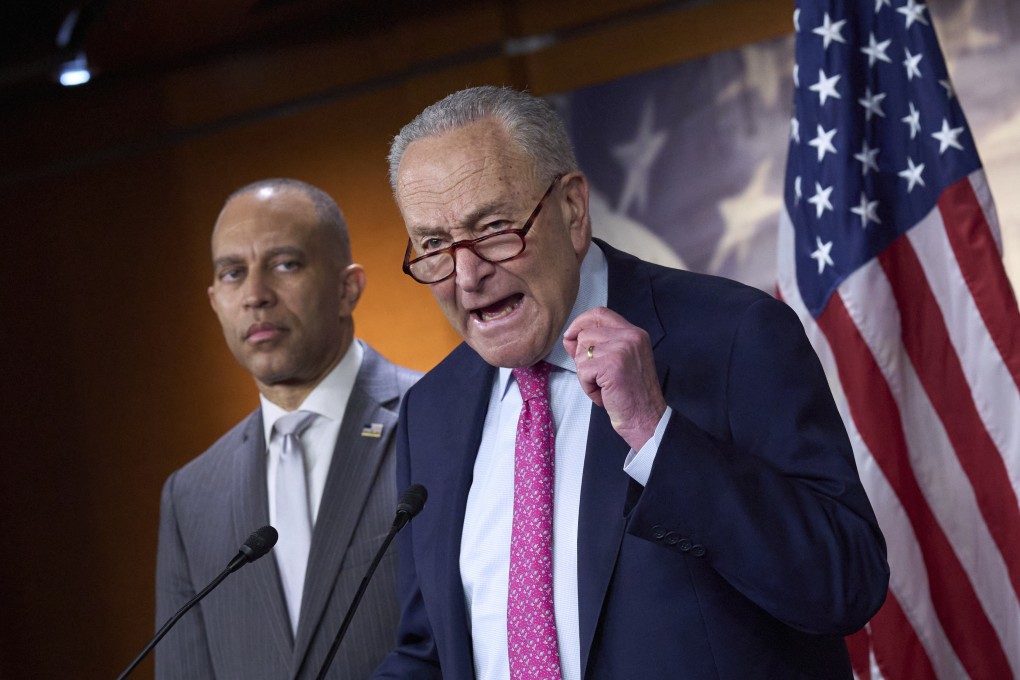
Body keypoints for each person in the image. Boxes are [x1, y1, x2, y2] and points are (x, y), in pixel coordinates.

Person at [372, 87, 889, 679]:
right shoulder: (429, 411)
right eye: (435, 245)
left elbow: (847, 583)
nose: (467, 276)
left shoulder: (735, 335)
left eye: (492, 228)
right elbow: (428, 652)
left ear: (572, 209)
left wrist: (657, 434)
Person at [156, 178, 419, 679]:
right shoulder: (189, 494)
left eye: (285, 264)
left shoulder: (436, 421)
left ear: (348, 288)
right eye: (233, 274)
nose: (255, 295)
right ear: (215, 302)